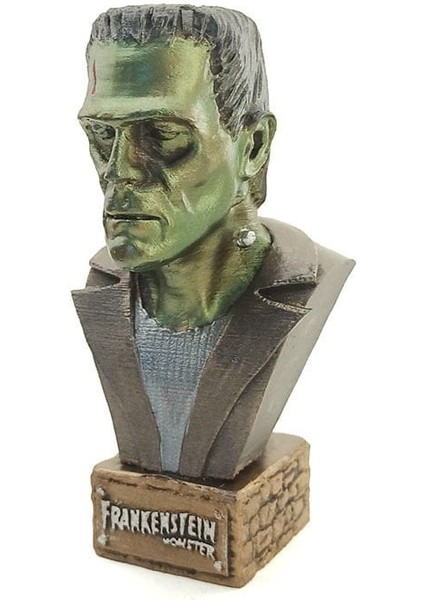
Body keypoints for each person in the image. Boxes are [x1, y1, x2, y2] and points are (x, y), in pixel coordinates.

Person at [73, 5, 354, 480]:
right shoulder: (103, 289)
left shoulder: (308, 281)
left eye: (163, 136)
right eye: (102, 135)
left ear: (253, 146)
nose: (120, 171)